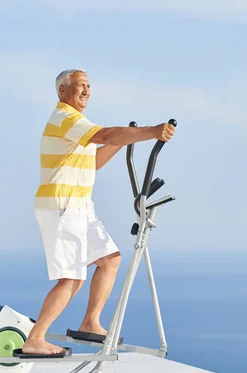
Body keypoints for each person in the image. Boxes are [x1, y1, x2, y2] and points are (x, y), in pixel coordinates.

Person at [22, 68, 176, 355]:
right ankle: (35, 339)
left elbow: (95, 161)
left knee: (110, 260)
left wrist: (122, 140)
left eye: (89, 86)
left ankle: (91, 323)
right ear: (62, 92)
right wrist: (150, 132)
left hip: (80, 206)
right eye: (80, 85)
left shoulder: (78, 125)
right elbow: (106, 134)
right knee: (71, 279)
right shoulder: (65, 119)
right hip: (62, 205)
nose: (86, 90)